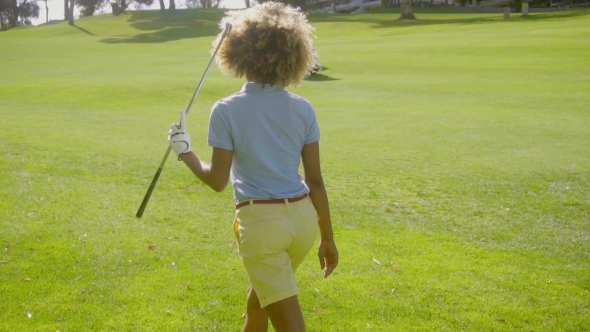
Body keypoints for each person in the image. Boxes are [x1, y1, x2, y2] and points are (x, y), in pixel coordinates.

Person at [167, 3, 338, 331]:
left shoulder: (226, 110)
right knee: (257, 303)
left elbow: (217, 180)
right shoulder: (303, 109)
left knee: (289, 323)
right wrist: (327, 239)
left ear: (241, 51)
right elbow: (315, 181)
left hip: (262, 226)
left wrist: (184, 151)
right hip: (303, 223)